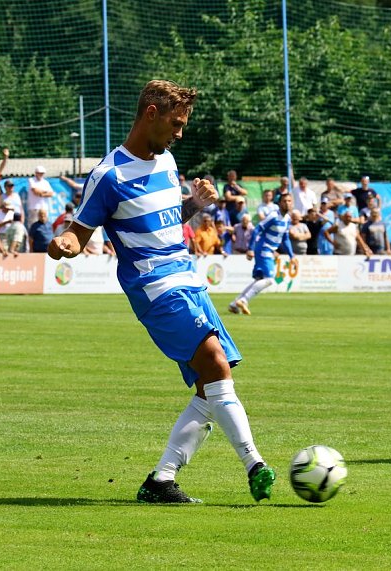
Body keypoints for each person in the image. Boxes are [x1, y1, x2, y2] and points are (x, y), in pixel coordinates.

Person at [48, 79, 275, 504]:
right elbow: (79, 233)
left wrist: (194, 205)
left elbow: (169, 221)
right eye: (176, 123)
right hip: (153, 287)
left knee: (211, 384)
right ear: (150, 114)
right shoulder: (108, 175)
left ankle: (161, 480)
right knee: (214, 362)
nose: (179, 133)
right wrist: (65, 245)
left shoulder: (168, 162)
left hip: (188, 279)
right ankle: (255, 464)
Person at [229, 193, 298, 315]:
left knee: (259, 279)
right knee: (270, 280)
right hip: (263, 248)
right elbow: (257, 229)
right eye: (284, 201)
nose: (287, 203)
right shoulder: (273, 215)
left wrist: (292, 255)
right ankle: (244, 300)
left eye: (289, 201)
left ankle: (234, 304)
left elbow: (285, 238)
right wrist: (250, 248)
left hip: (269, 250)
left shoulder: (287, 219)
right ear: (280, 203)